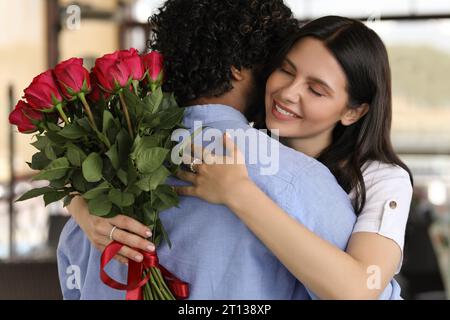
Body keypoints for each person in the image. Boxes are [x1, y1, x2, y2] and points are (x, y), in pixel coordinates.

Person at [57, 1, 396, 299]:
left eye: (316, 89)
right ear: (241, 66)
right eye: (281, 67)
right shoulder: (301, 183)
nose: (287, 93)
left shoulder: (98, 179)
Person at [174, 16, 414, 299]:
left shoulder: (381, 179)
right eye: (286, 71)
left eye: (315, 90)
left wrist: (238, 193)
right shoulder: (243, 146)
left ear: (353, 112)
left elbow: (361, 289)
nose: (287, 93)